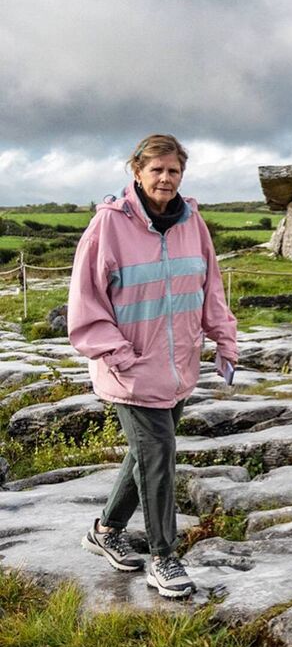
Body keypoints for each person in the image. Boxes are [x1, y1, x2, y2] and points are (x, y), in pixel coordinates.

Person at [67, 134, 238, 598]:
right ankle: (164, 557)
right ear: (136, 173)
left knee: (146, 453)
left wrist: (224, 339)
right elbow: (85, 306)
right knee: (159, 455)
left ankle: (106, 531)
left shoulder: (192, 222)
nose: (166, 178)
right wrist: (122, 357)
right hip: (131, 369)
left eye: (174, 171)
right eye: (157, 170)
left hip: (179, 364)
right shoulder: (107, 227)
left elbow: (210, 288)